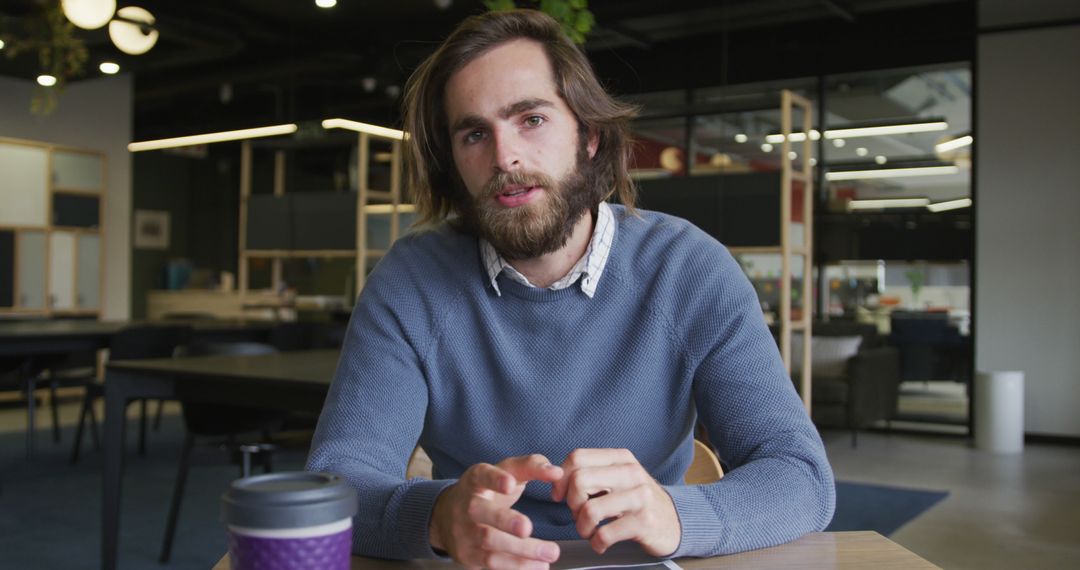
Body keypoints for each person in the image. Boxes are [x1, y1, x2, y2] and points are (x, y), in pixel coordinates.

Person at [306, 8, 834, 569]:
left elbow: (799, 474)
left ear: (589, 136)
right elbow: (335, 487)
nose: (504, 157)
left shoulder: (690, 271)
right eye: (474, 133)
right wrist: (439, 518)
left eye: (530, 119)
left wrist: (676, 515)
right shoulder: (410, 282)